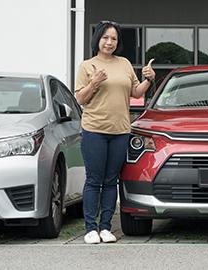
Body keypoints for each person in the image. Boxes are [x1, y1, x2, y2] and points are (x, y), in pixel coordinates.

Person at [74, 20, 155, 244]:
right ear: (98, 39)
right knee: (94, 180)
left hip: (120, 130)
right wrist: (94, 83)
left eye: (114, 39)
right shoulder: (87, 66)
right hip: (94, 130)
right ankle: (90, 228)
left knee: (111, 181)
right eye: (105, 38)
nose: (109, 42)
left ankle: (106, 227)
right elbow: (80, 98)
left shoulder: (125, 64)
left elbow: (136, 92)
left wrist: (148, 79)